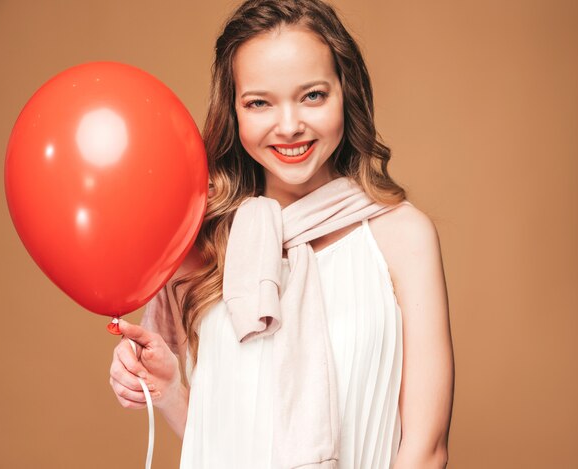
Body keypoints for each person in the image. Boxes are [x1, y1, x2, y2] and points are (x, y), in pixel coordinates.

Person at [109, 0, 454, 467]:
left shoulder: (402, 236)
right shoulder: (202, 245)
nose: (289, 126)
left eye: (312, 95)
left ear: (345, 94)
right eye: (259, 102)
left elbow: (426, 449)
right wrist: (170, 391)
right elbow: (222, 441)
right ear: (234, 111)